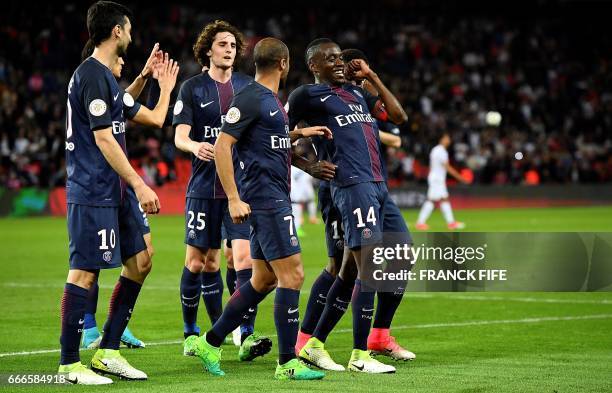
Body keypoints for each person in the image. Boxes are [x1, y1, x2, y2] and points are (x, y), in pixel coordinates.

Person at [194, 37, 330, 380]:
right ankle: (287, 363)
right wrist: (234, 198)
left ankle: (209, 342)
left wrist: (297, 133)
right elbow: (223, 146)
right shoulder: (253, 97)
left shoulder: (269, 101)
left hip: (270, 197)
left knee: (264, 279)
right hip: (266, 199)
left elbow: (267, 140)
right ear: (284, 64)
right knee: (293, 275)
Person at [287, 39, 411, 373]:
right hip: (350, 186)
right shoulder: (305, 96)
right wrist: (308, 165)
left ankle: (316, 344)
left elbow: (399, 116)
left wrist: (372, 76)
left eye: (341, 58)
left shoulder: (358, 94)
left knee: (394, 256)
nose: (340, 63)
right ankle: (359, 356)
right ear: (314, 65)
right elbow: (273, 137)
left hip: (378, 186)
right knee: (360, 266)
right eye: (331, 59)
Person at [60, 1, 162, 384]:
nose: (132, 36)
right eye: (130, 28)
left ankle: (108, 351)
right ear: (116, 30)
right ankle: (69, 363)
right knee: (84, 273)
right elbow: (103, 137)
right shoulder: (91, 75)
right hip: (93, 189)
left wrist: (154, 79)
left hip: (113, 191)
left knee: (141, 261)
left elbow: (135, 113)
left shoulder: (104, 77)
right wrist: (139, 183)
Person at [173, 20, 266, 360]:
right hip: (202, 189)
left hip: (238, 191)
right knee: (201, 262)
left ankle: (246, 333)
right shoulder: (192, 88)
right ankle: (191, 332)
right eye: (222, 44)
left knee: (240, 257)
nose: (229, 50)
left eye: (232, 45)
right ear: (208, 50)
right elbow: (179, 136)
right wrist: (194, 145)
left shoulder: (247, 88)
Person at [78, 40, 178, 350]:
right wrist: (165, 88)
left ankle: (113, 327)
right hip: (98, 188)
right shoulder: (91, 84)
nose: (123, 62)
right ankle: (89, 330)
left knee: (143, 257)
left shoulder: (109, 89)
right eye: (120, 58)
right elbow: (153, 117)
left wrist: (145, 77)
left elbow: (125, 100)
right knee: (89, 265)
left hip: (122, 188)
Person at [416, 132, 469, 230]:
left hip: (436, 178)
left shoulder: (436, 150)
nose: (449, 140)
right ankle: (420, 223)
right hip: (437, 179)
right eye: (447, 138)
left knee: (444, 199)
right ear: (442, 139)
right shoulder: (441, 151)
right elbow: (447, 167)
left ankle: (451, 223)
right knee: (431, 200)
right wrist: (460, 177)